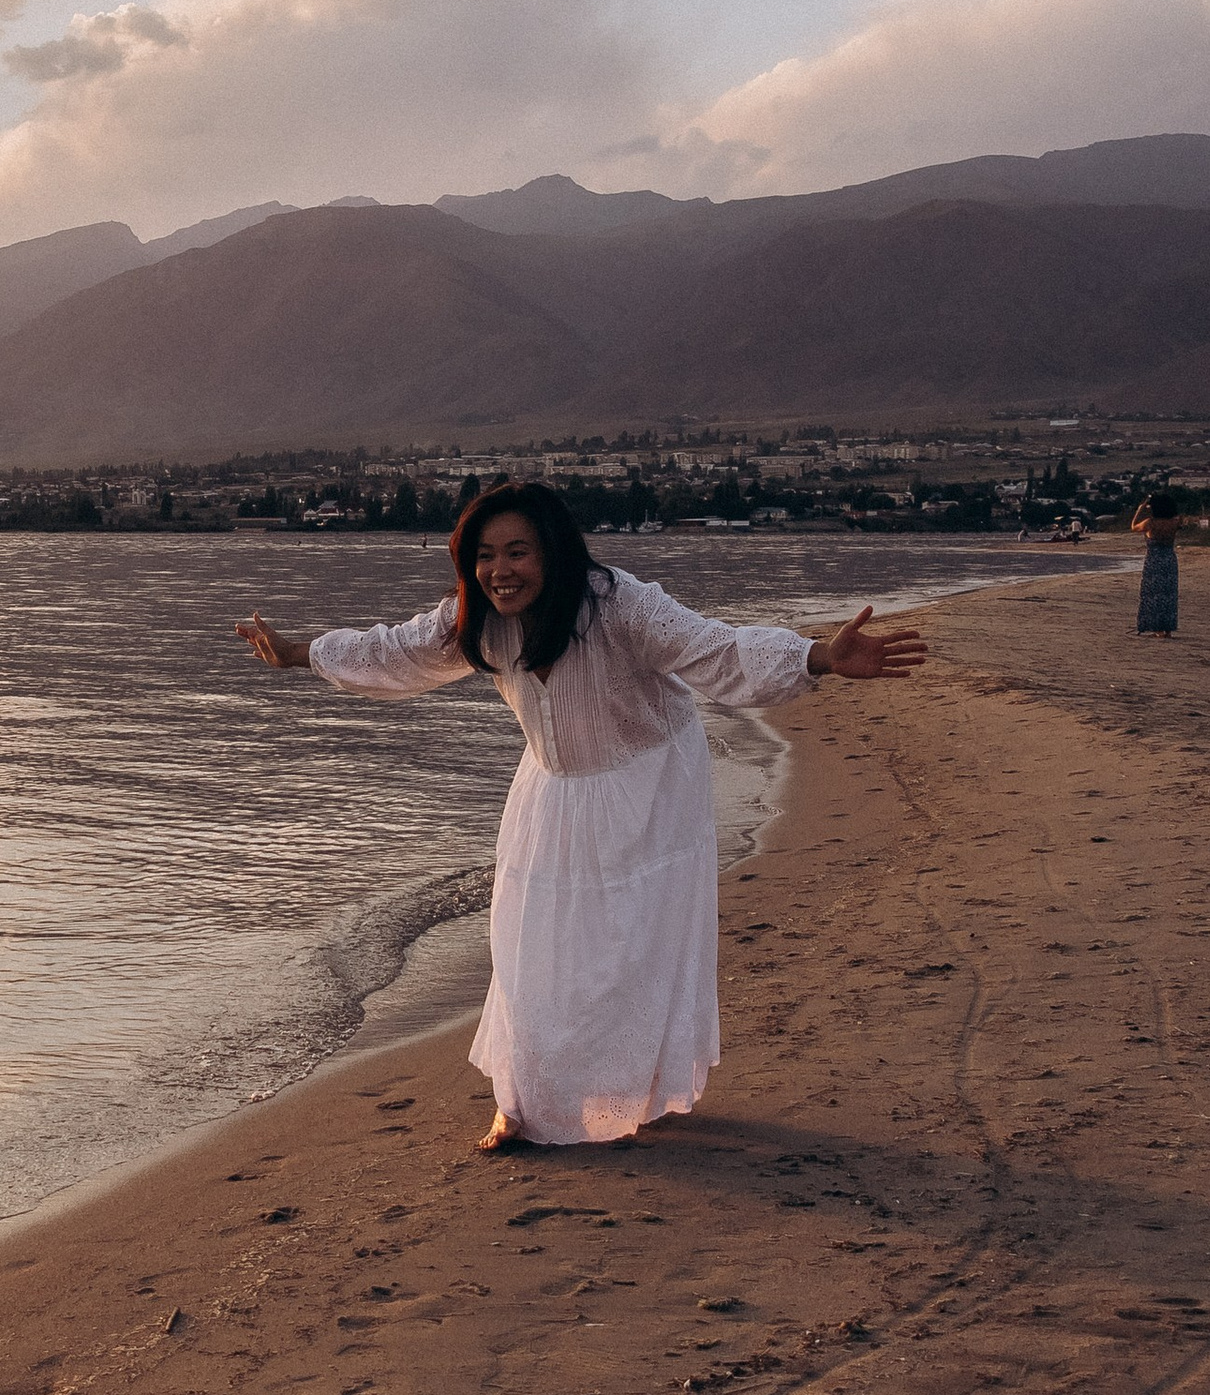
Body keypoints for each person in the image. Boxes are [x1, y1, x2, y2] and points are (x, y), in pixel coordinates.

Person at [236, 481, 928, 1155]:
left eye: (518, 552)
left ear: (554, 552)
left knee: (631, 948)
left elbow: (714, 649)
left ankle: (637, 1087)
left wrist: (817, 657)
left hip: (650, 786)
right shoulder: (475, 617)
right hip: (552, 788)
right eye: (484, 555)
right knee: (527, 943)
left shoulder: (621, 605)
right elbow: (398, 650)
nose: (499, 571)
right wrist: (297, 653)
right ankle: (520, 1103)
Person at [1134, 495, 1181, 639]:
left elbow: (1134, 526)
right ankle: (1167, 628)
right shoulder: (1175, 522)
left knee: (1153, 594)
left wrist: (1140, 509)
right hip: (1169, 560)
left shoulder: (1150, 523)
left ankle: (1157, 628)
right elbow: (1179, 517)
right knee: (1168, 595)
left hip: (1154, 560)